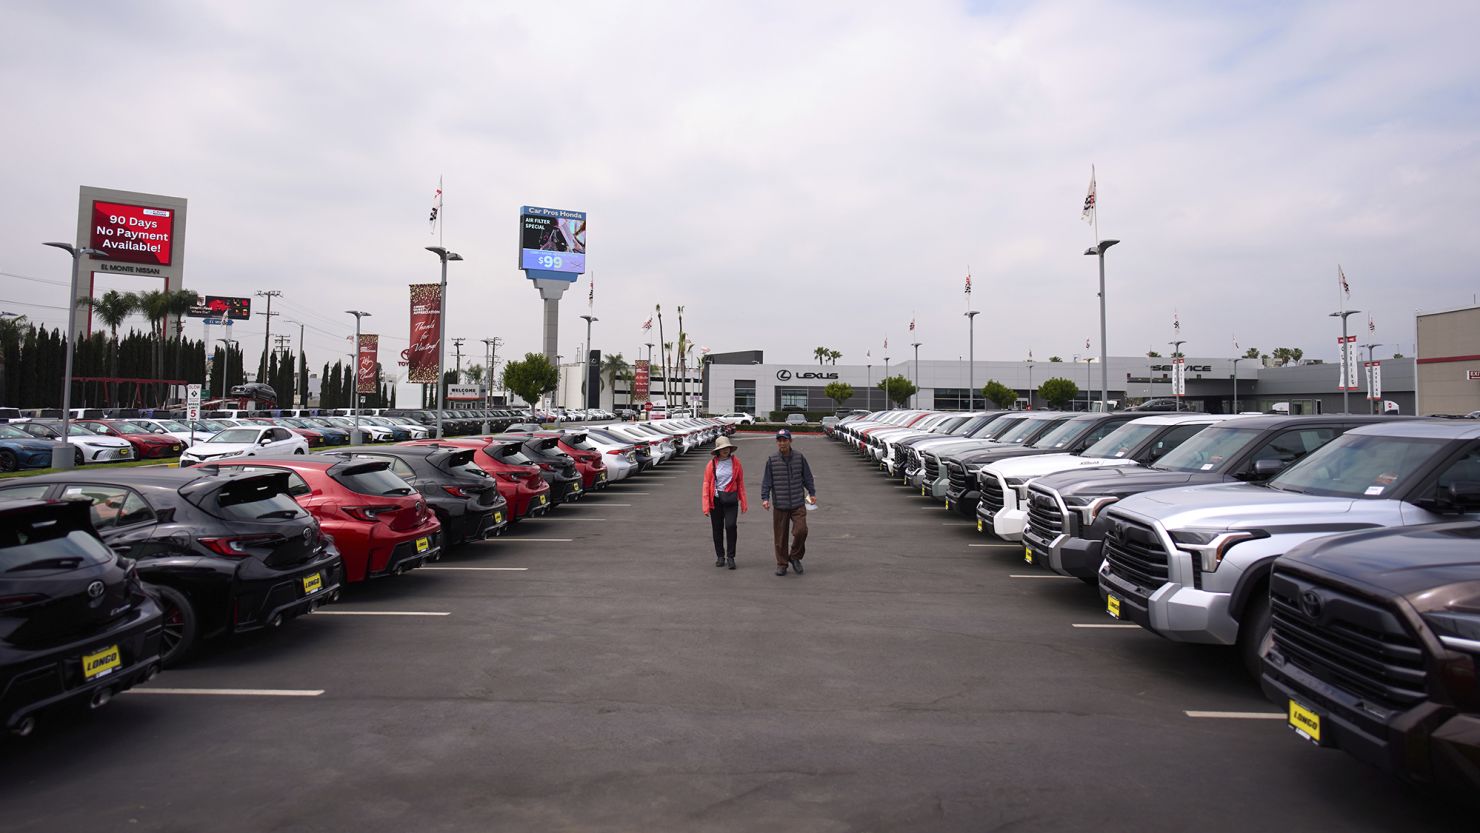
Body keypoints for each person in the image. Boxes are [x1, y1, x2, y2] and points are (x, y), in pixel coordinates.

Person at [760, 428, 817, 577]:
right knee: (780, 537)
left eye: (785, 440)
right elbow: (767, 482)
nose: (782, 443)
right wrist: (765, 498)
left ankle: (795, 556)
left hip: (798, 502)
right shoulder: (772, 460)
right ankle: (782, 563)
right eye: (779, 440)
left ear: (790, 441)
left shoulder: (799, 457)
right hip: (780, 504)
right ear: (777, 443)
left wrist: (812, 493)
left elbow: (808, 477)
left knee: (801, 530)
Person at [700, 436, 747, 569]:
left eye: (727, 447)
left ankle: (731, 557)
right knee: (717, 528)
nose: (725, 450)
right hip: (716, 500)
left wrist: (743, 502)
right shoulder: (712, 464)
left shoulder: (736, 463)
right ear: (718, 451)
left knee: (731, 526)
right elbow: (706, 484)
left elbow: (740, 483)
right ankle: (720, 556)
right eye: (722, 448)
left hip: (731, 499)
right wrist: (705, 506)